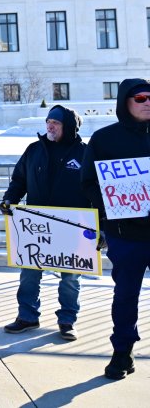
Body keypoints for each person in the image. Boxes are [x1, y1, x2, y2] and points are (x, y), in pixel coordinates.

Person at [80, 78, 150, 380]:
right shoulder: (104, 139)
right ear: (125, 102)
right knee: (125, 296)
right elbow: (88, 182)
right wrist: (113, 207)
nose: (147, 102)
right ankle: (122, 351)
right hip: (126, 234)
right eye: (140, 98)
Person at [0, 105, 88, 340]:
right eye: (48, 121)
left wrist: (100, 226)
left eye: (56, 123)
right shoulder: (34, 150)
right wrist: (10, 199)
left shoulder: (84, 153)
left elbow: (94, 191)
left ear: (68, 127)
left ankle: (67, 320)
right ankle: (27, 316)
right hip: (35, 225)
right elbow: (19, 180)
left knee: (70, 278)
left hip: (72, 226)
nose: (50, 125)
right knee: (29, 274)